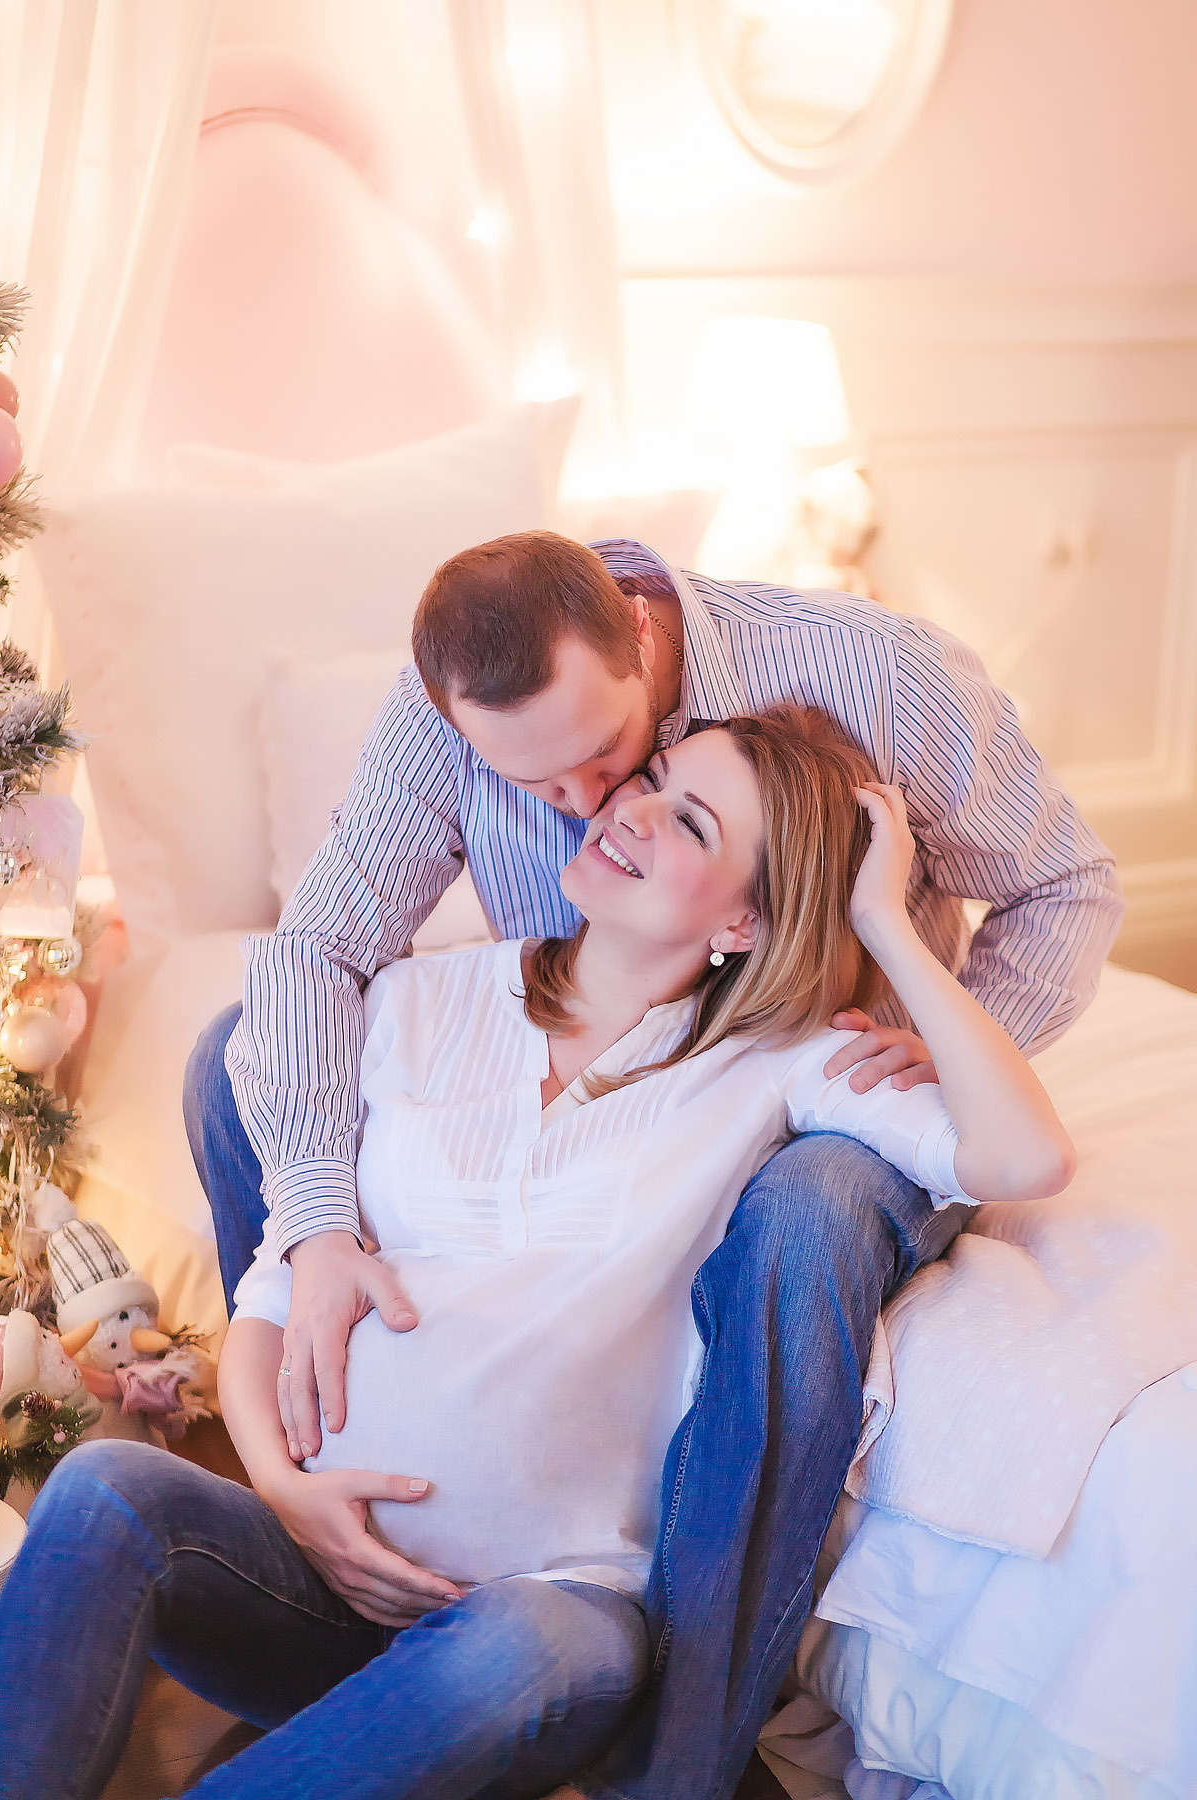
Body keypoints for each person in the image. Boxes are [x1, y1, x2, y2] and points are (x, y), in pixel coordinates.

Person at [184, 533, 1122, 1799]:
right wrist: (319, 1229)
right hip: (583, 1046)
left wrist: (919, 1036)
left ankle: (676, 1755)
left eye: (603, 760)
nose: (584, 805)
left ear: (640, 633)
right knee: (232, 1065)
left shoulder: (871, 672)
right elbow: (314, 956)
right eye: (535, 781)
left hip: (819, 1055)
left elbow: (1064, 891)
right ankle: (337, 1530)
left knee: (808, 1208)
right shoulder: (454, 715)